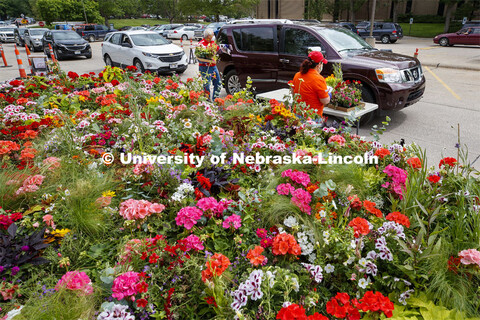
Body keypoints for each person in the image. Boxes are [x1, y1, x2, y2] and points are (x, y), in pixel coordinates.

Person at [291, 51, 331, 117]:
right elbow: (325, 101)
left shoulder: (297, 75)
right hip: (312, 117)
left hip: (297, 114)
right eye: (322, 63)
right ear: (319, 65)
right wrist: (329, 94)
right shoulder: (319, 79)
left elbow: (293, 93)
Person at [197, 28, 221, 101]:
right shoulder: (201, 44)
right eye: (210, 36)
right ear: (207, 36)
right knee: (206, 86)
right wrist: (207, 59)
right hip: (205, 68)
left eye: (212, 36)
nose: (211, 38)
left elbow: (218, 49)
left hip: (213, 67)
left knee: (218, 83)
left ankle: (215, 99)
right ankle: (207, 102)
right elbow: (199, 59)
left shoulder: (212, 42)